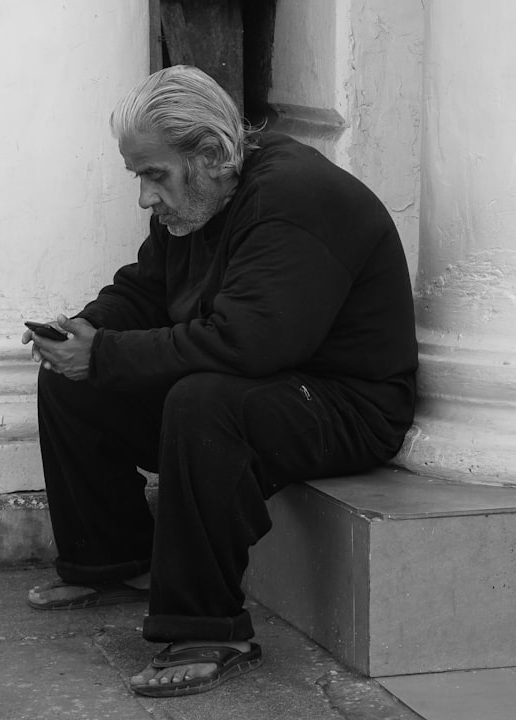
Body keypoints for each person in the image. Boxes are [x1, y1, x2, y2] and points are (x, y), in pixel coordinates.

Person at [21, 65, 418, 698]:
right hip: (268, 384)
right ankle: (115, 560)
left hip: (347, 403)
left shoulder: (295, 196)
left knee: (203, 402)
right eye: (140, 177)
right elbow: (145, 292)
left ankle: (211, 628)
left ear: (208, 153)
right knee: (75, 380)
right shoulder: (202, 197)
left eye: (154, 175)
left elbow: (250, 342)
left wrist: (109, 354)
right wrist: (85, 330)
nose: (146, 197)